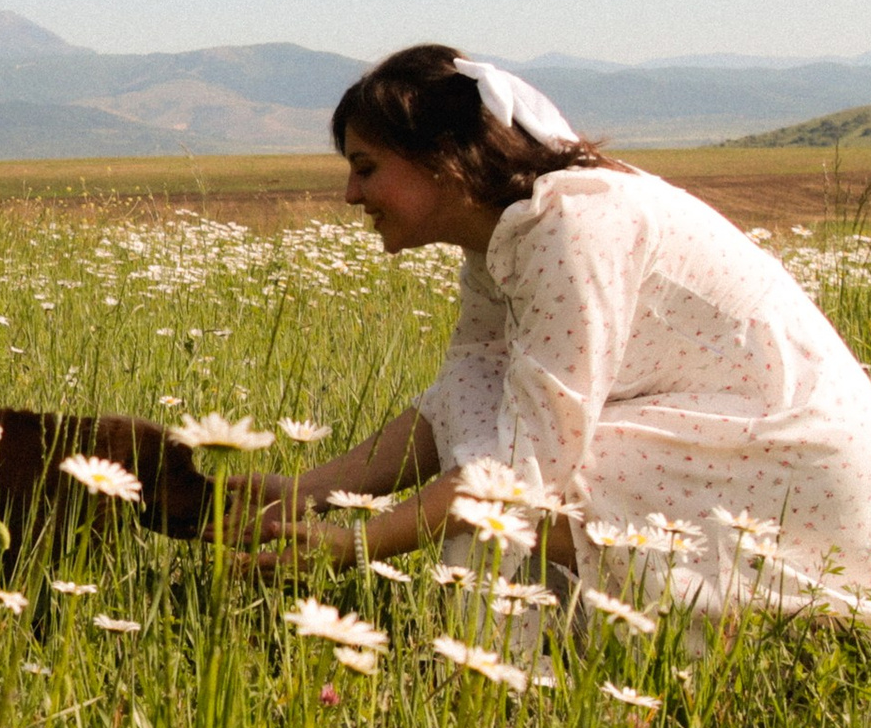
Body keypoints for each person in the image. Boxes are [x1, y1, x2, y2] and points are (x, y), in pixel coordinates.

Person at [241, 42, 871, 619]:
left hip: (793, 470)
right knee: (483, 424)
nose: (351, 194)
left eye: (366, 167)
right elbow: (456, 404)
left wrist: (354, 543)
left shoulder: (575, 227)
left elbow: (520, 469)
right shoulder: (502, 241)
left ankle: (508, 686)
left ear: (444, 160)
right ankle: (529, 651)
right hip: (719, 443)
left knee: (526, 493)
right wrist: (301, 492)